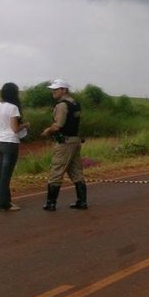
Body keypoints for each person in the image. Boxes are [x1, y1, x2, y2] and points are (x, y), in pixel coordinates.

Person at [40, 79, 88, 211]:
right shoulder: (75, 103)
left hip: (64, 142)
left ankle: (51, 203)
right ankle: (82, 201)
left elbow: (58, 125)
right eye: (53, 89)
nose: (53, 92)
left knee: (57, 170)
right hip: (75, 140)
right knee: (76, 171)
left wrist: (47, 131)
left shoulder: (62, 105)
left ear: (64, 90)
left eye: (56, 89)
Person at [0, 82, 30, 211]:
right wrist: (25, 125)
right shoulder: (13, 108)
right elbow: (15, 129)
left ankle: (0, 201)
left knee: (1, 173)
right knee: (6, 175)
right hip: (10, 143)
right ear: (14, 94)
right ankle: (5, 204)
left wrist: (2, 128)